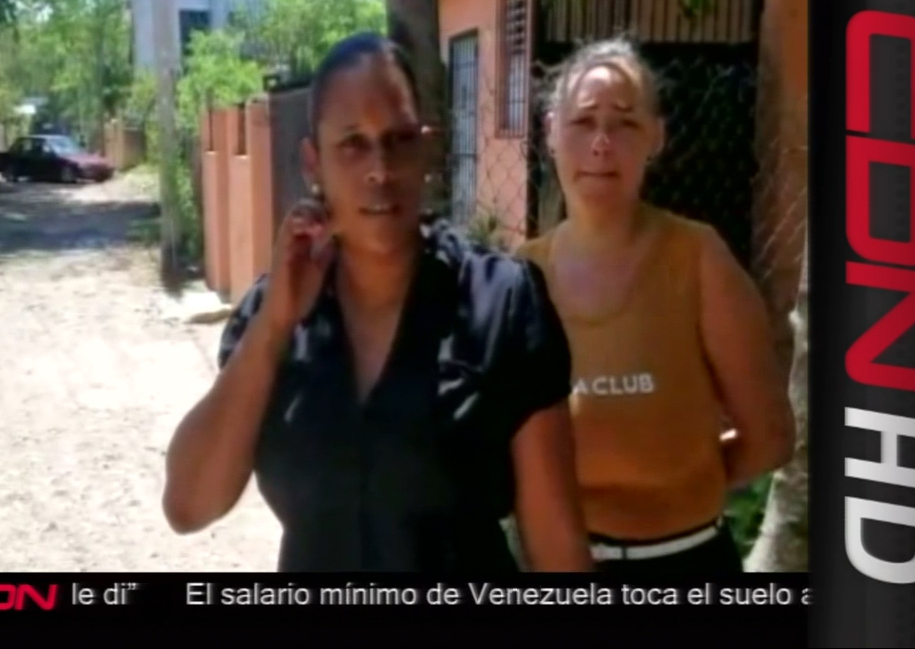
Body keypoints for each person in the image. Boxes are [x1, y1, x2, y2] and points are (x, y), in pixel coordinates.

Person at [162, 33, 592, 573]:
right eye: (353, 144)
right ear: (313, 163)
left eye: (398, 140)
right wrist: (273, 328)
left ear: (427, 148)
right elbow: (189, 505)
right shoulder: (274, 314)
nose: (380, 169)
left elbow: (559, 551)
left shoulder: (501, 303)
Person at [516, 38, 795, 576]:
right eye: (582, 121)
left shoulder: (699, 258)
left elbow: (770, 437)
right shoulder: (520, 276)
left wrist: (678, 489)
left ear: (656, 137)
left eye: (624, 122)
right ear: (551, 131)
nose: (602, 142)